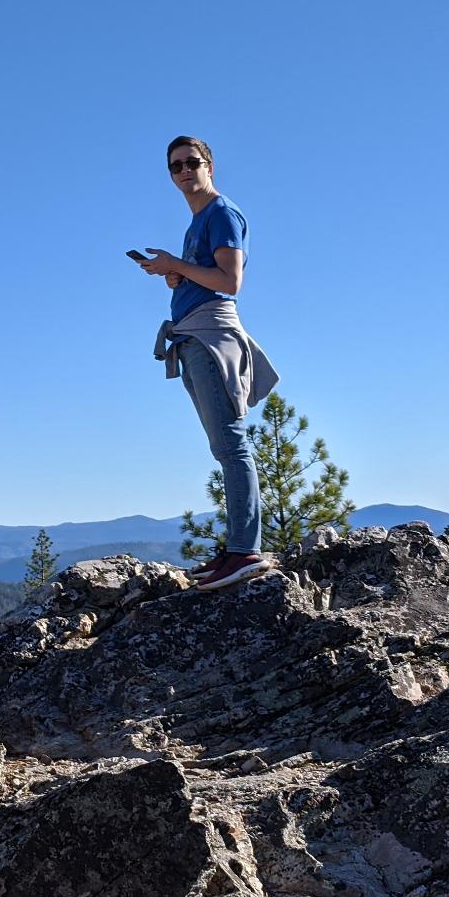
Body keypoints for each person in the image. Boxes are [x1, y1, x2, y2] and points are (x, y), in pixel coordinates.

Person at [138, 137, 279, 591]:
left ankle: (245, 552)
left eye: (191, 163)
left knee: (232, 445)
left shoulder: (221, 213)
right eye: (175, 165)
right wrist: (175, 274)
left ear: (210, 166)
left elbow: (230, 281)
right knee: (224, 446)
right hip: (194, 333)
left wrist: (177, 264)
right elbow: (208, 276)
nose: (183, 171)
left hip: (211, 335)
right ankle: (238, 546)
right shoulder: (200, 220)